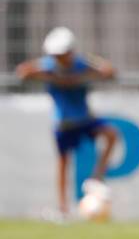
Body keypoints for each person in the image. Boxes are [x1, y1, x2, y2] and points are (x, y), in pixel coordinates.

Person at [16, 26, 117, 219]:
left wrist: (82, 75)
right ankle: (63, 208)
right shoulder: (48, 65)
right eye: (56, 55)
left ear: (71, 51)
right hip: (63, 122)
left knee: (111, 134)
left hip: (85, 118)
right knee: (63, 162)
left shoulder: (82, 63)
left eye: (63, 54)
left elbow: (109, 71)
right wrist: (52, 78)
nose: (59, 58)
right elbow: (23, 72)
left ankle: (97, 177)